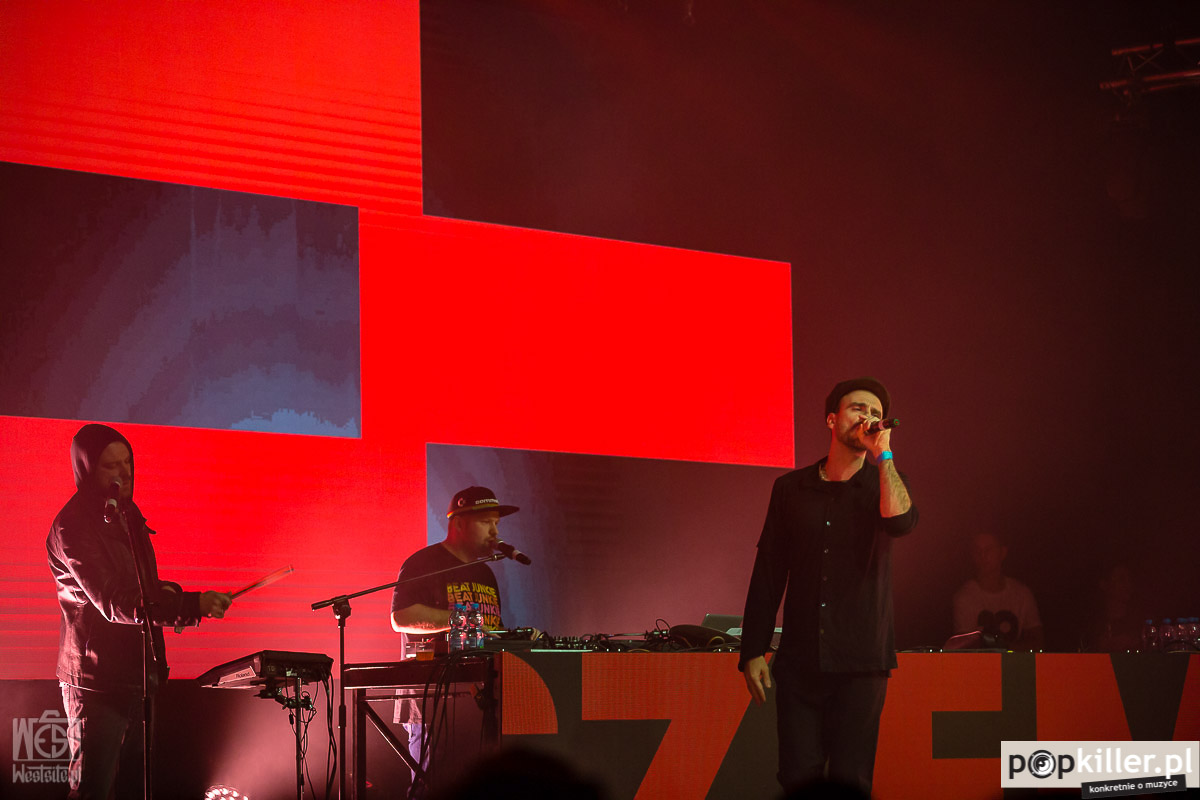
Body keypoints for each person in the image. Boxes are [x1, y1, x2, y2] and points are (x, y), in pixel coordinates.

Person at [739, 377, 918, 795]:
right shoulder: (790, 489)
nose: (868, 417)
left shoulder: (885, 482)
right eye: (858, 408)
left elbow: (900, 523)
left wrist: (884, 454)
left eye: (875, 413)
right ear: (832, 419)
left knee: (850, 779)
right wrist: (753, 649)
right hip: (800, 661)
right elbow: (769, 570)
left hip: (862, 663)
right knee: (797, 777)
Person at [46, 423, 233, 799]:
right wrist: (189, 605)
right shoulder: (72, 525)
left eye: (127, 462)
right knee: (93, 791)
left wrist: (175, 597)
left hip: (138, 676)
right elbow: (115, 601)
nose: (124, 472)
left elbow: (143, 589)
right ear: (86, 469)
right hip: (96, 683)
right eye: (110, 465)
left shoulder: (128, 515)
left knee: (135, 787)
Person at [389, 486, 514, 787]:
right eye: (486, 522)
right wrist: (462, 620)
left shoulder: (486, 573)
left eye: (496, 523)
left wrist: (513, 639)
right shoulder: (423, 563)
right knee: (433, 786)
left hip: (479, 698)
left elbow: (489, 629)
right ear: (458, 523)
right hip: (431, 697)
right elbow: (400, 618)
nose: (495, 531)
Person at [951, 532, 1044, 650]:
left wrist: (1008, 650)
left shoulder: (1022, 594)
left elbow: (1038, 642)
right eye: (977, 550)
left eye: (989, 549)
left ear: (1002, 552)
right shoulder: (964, 598)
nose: (983, 555)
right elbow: (965, 648)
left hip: (1015, 662)